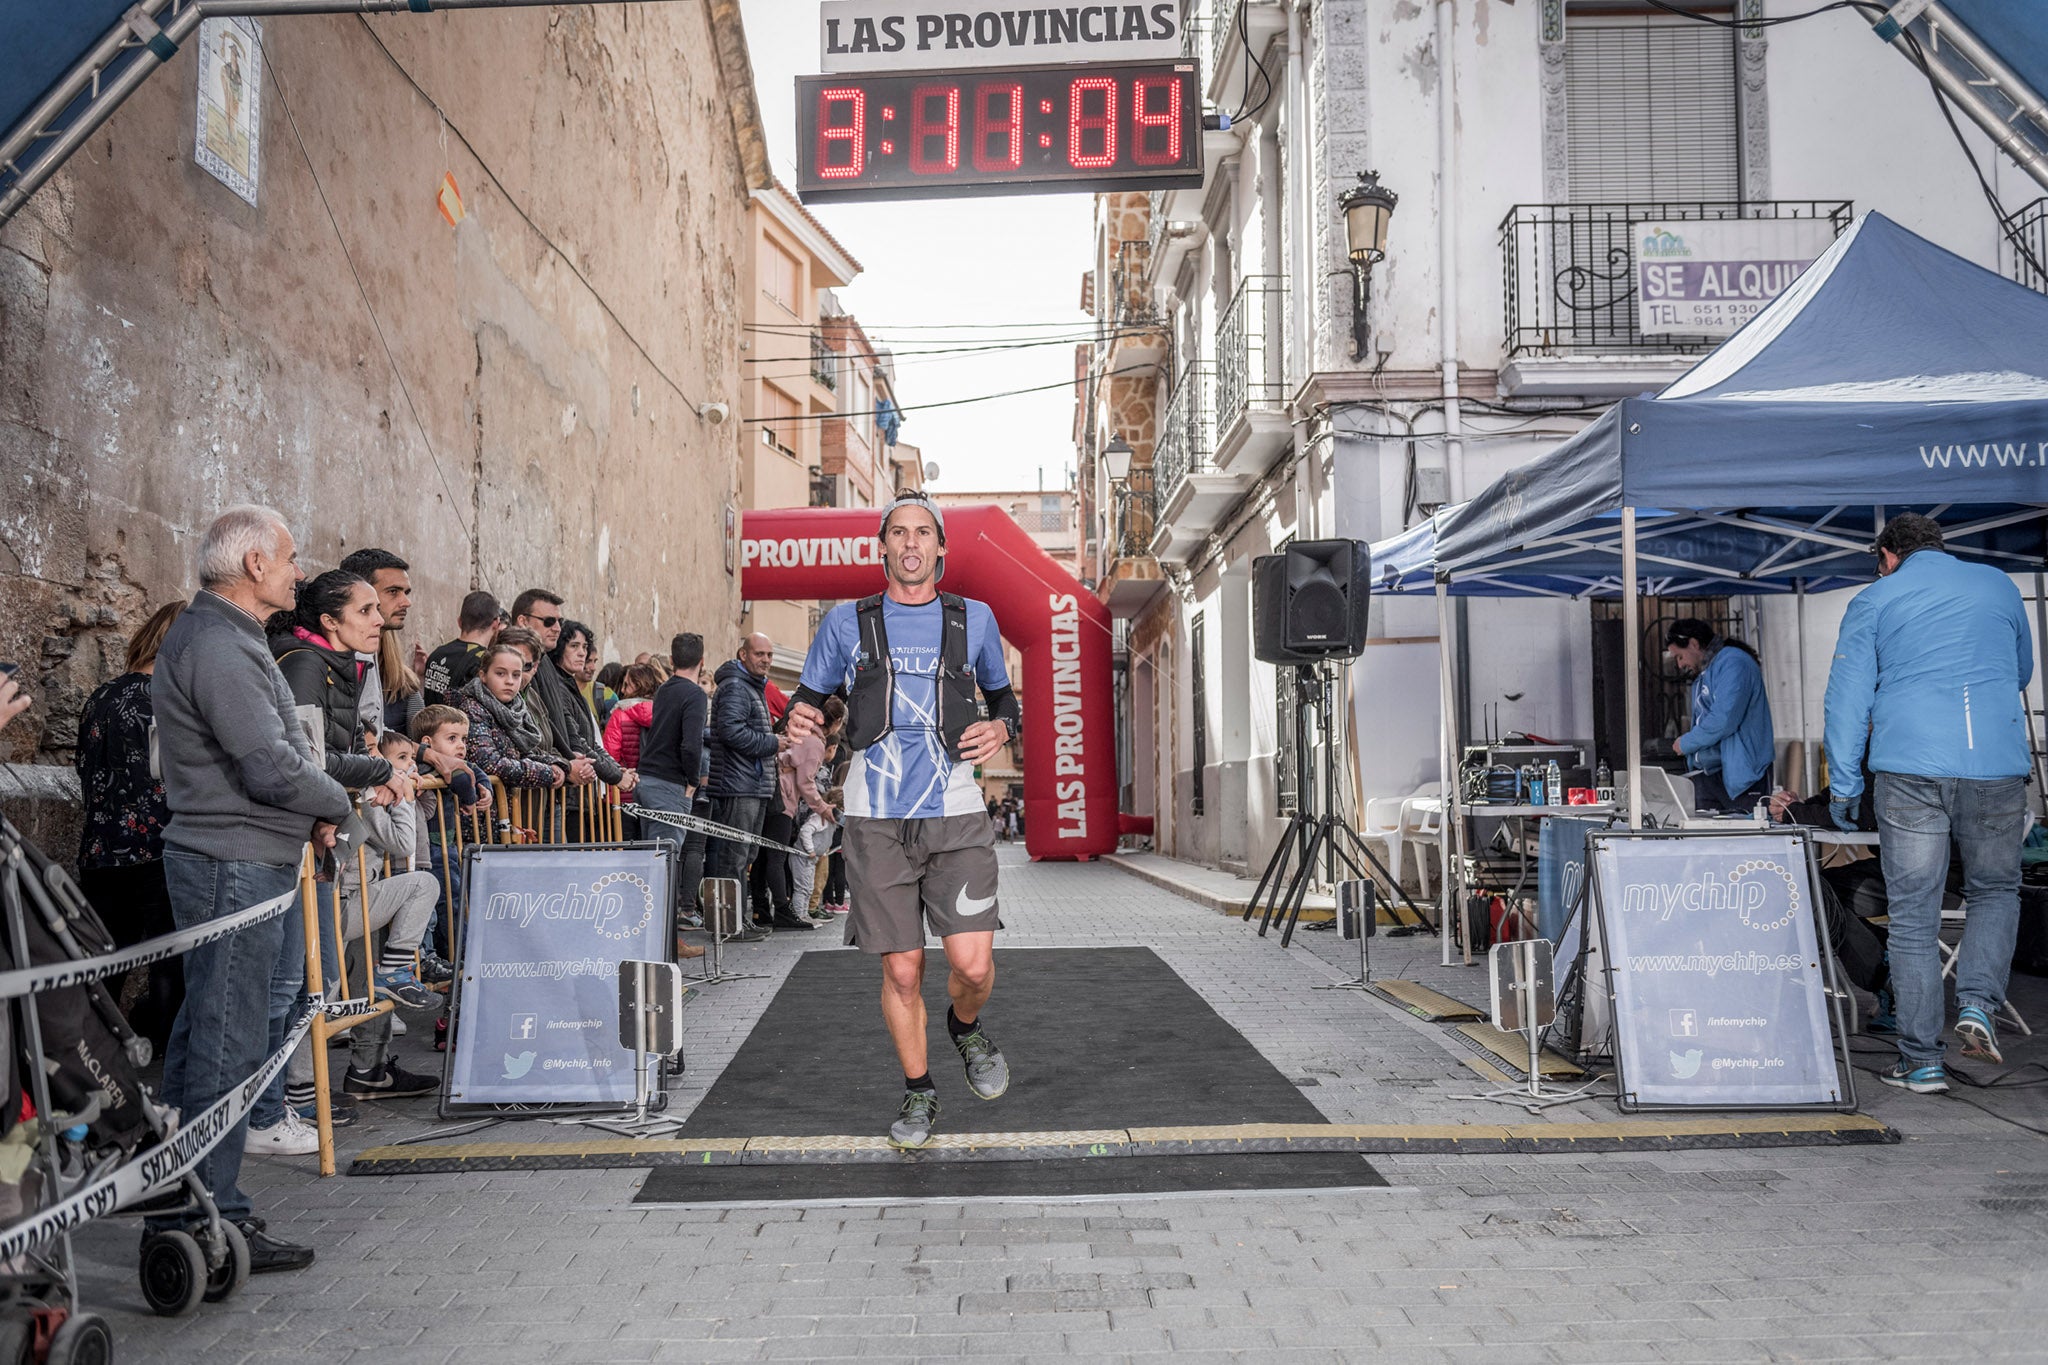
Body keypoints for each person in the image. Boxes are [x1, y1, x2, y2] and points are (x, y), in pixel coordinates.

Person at [785, 491, 1022, 1150]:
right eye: (899, 532)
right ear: (882, 545)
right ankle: (920, 1089)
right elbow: (808, 698)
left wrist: (1003, 724)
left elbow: (1004, 697)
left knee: (972, 965)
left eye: (924, 532)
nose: (912, 543)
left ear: (941, 547)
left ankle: (966, 1027)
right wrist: (798, 721)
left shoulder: (973, 618)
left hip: (955, 810)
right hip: (875, 814)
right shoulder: (845, 622)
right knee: (902, 971)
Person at [149, 504, 347, 1272]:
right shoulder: (220, 644)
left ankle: (189, 1207)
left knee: (211, 1037)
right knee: (227, 1047)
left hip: (243, 857)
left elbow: (281, 754)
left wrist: (316, 806)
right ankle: (210, 1218)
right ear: (256, 565)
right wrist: (333, 802)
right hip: (230, 862)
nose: (300, 570)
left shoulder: (229, 637)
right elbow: (270, 764)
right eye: (291, 557)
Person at [1824, 512, 2035, 1093]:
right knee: (1995, 890)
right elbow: (2020, 671)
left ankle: (1922, 1061)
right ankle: (1977, 1006)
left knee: (1914, 916)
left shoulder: (1875, 599)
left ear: (1887, 554)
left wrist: (1844, 785)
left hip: (1910, 767)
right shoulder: (1997, 584)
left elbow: (1846, 699)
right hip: (1996, 764)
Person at [265, 572, 436, 1137]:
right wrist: (383, 771)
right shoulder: (306, 665)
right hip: (287, 846)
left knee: (320, 978)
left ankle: (297, 1096)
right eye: (366, 610)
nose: (379, 619)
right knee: (303, 981)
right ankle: (288, 1101)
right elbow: (311, 759)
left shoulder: (339, 666)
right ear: (330, 621)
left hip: (320, 838)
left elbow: (330, 757)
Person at [74, 600, 188, 1054]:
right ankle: (161, 1054)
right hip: (157, 848)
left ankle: (89, 1052)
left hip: (100, 849)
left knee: (105, 962)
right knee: (168, 961)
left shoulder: (101, 695)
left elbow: (85, 767)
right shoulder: (168, 700)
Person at [705, 633, 787, 931]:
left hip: (751, 784)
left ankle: (737, 921)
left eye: (769, 655)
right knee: (734, 857)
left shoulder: (751, 686)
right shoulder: (738, 687)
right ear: (743, 654)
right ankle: (730, 925)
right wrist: (771, 742)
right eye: (759, 654)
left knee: (745, 855)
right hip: (739, 785)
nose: (765, 660)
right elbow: (729, 731)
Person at [639, 634, 716, 932]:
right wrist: (693, 781)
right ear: (702, 662)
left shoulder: (664, 690)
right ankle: (665, 941)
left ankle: (658, 937)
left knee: (653, 862)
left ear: (671, 660)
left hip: (647, 779)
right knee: (666, 864)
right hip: (671, 783)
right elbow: (691, 743)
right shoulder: (695, 694)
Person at [1662, 620, 1774, 814]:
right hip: (1708, 775)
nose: (1680, 665)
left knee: (1744, 839)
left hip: (1742, 778)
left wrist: (1686, 742)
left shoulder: (1734, 663)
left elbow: (1723, 719)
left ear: (1694, 644)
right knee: (1706, 841)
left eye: (1680, 656)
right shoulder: (1706, 671)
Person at [459, 636, 569, 796]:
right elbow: (489, 762)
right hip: (482, 809)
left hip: (509, 808)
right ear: (483, 675)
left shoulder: (516, 709)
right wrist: (546, 773)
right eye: (500, 674)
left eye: (516, 675)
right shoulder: (472, 708)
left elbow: (522, 752)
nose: (509, 681)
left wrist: (555, 763)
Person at [338, 547, 424, 733]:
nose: (406, 602)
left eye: (405, 592)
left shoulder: (391, 666)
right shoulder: (335, 659)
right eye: (393, 591)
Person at [782, 696, 845, 926]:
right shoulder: (815, 742)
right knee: (799, 881)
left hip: (788, 798)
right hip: (786, 799)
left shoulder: (805, 733)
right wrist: (822, 807)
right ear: (836, 721)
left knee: (806, 883)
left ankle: (796, 911)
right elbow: (805, 781)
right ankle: (790, 912)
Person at [421, 590, 501, 707]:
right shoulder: (485, 662)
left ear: (459, 622)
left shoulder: (437, 654)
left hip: (429, 723)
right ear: (496, 623)